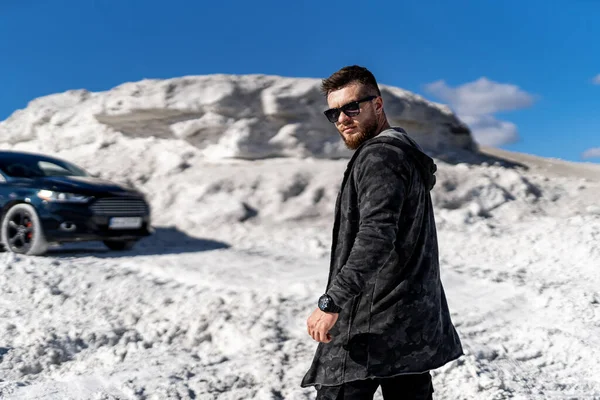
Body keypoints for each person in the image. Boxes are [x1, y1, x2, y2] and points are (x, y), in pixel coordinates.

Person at [301, 65, 463, 400]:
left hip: (371, 327)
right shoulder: (404, 154)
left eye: (352, 107)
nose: (343, 118)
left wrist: (332, 301)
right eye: (334, 113)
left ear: (378, 104)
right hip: (412, 326)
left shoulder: (379, 156)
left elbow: (376, 237)